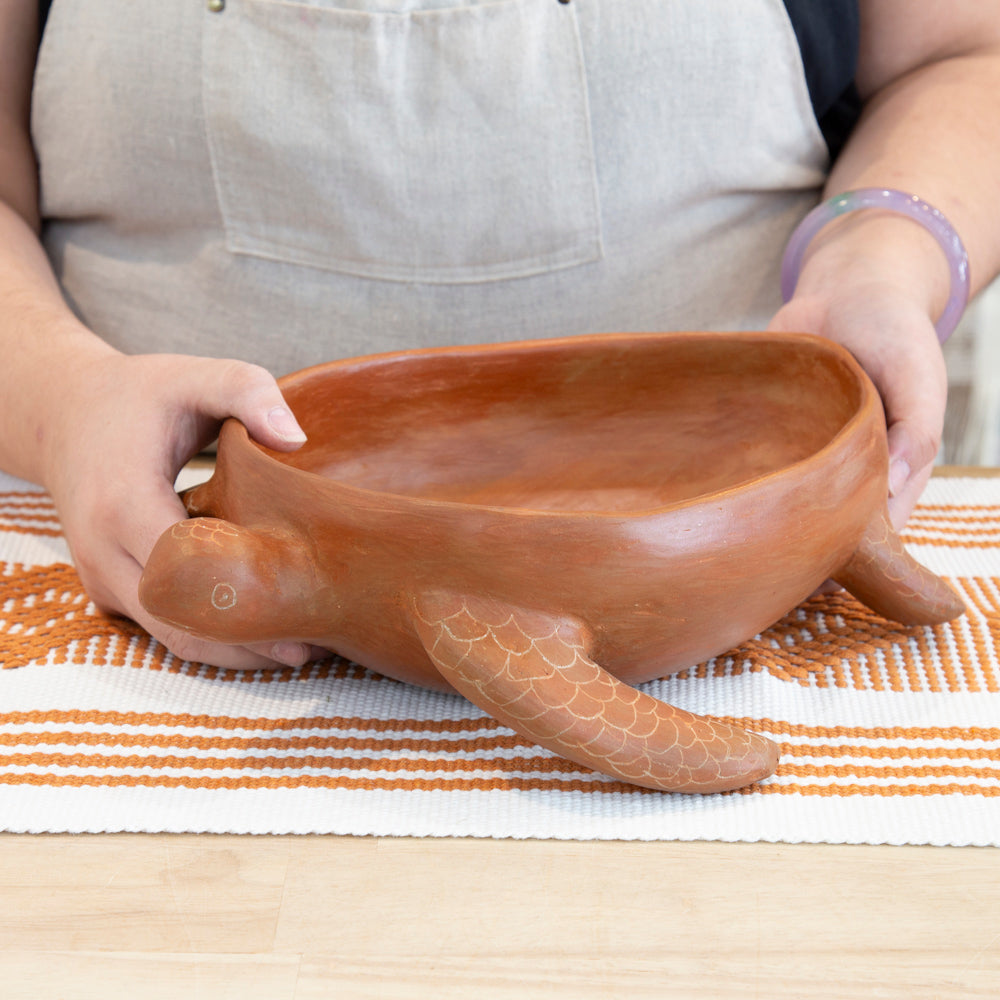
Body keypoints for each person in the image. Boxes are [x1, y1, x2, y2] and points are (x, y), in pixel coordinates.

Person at [2, 0, 999, 670]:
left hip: (746, 577)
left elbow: (962, 56)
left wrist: (885, 249)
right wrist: (57, 400)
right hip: (128, 554)